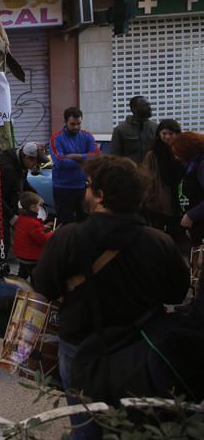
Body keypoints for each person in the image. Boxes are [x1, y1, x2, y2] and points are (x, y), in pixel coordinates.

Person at [33, 155, 188, 439]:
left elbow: (43, 290)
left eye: (89, 185)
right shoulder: (160, 242)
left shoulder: (66, 238)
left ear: (101, 195)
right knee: (138, 424)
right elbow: (176, 293)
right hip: (141, 348)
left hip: (80, 346)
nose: (85, 191)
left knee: (86, 425)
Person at [0, 142, 45, 273]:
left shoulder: (20, 162)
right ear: (27, 158)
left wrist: (37, 196)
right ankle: (2, 275)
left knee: (19, 236)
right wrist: (12, 217)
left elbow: (22, 182)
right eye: (36, 162)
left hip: (8, 204)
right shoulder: (7, 168)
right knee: (2, 243)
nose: (36, 166)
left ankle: (22, 269)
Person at [49, 107, 99, 225]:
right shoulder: (56, 138)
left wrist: (74, 156)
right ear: (65, 122)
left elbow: (95, 157)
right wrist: (85, 159)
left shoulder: (87, 136)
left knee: (86, 223)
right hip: (63, 188)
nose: (76, 127)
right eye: (72, 124)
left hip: (83, 187)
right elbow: (60, 162)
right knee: (66, 224)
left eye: (79, 124)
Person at [143, 119, 184, 241]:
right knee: (158, 237)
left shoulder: (182, 150)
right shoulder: (153, 153)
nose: (167, 137)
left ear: (177, 134)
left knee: (178, 234)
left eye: (171, 134)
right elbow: (146, 178)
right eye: (164, 133)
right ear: (159, 134)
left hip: (179, 197)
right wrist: (151, 198)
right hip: (158, 202)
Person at [170, 131, 204, 246]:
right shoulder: (193, 165)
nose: (176, 157)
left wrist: (191, 215)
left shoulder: (201, 165)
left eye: (177, 153)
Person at [12, 191, 53, 284]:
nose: (40, 208)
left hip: (21, 255)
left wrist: (43, 227)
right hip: (32, 257)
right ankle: (35, 290)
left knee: (22, 274)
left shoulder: (22, 218)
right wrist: (52, 233)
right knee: (35, 277)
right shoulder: (33, 223)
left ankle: (16, 285)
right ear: (32, 207)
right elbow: (42, 239)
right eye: (39, 205)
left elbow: (29, 231)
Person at [110, 95, 157, 164]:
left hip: (150, 173)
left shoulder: (155, 127)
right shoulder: (120, 129)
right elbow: (115, 157)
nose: (149, 108)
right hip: (129, 173)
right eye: (145, 105)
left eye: (149, 105)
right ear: (134, 109)